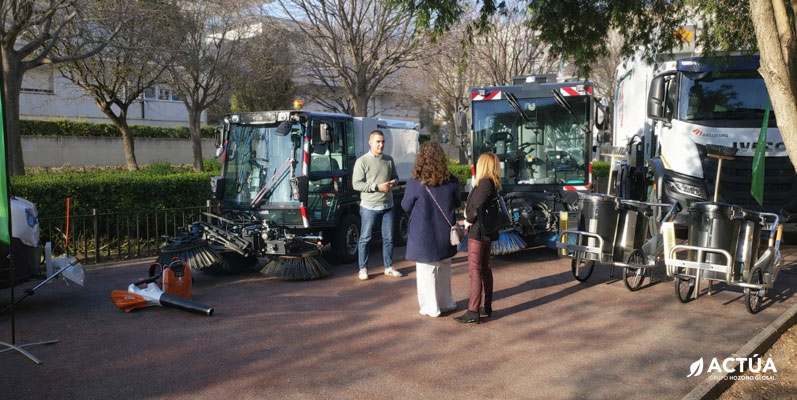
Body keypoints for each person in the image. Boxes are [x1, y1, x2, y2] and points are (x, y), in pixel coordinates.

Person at [401, 142, 461, 317]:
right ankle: (446, 302)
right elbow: (457, 202)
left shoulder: (415, 183)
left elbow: (405, 206)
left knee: (427, 272)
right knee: (444, 268)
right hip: (445, 233)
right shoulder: (451, 180)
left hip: (423, 234)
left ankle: (431, 307)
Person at [454, 152, 501, 324]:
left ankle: (473, 310)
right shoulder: (491, 183)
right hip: (486, 231)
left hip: (478, 231)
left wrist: (467, 221)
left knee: (475, 270)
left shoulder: (484, 183)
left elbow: (476, 207)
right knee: (485, 268)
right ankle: (485, 305)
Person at [352, 130, 403, 280]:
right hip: (369, 207)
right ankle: (363, 268)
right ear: (370, 142)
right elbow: (356, 184)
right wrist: (377, 187)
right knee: (365, 238)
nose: (381, 145)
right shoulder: (362, 161)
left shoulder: (389, 160)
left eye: (382, 142)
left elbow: (396, 177)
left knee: (388, 238)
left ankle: (388, 266)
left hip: (388, 206)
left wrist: (393, 183)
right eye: (377, 142)